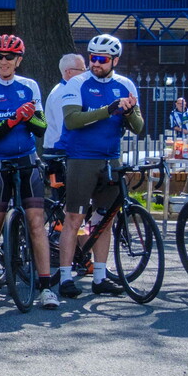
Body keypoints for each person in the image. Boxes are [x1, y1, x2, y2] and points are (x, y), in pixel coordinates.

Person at [0, 34, 59, 310]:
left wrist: (31, 117)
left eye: (9, 57)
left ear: (18, 60)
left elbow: (41, 129)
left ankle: (45, 287)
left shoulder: (29, 86)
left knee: (36, 224)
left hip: (27, 160)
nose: (3, 61)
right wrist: (14, 118)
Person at [57, 34, 145, 298]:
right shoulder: (77, 83)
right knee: (74, 217)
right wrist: (109, 109)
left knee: (104, 220)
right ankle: (64, 277)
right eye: (92, 58)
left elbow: (139, 128)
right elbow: (72, 120)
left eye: (102, 60)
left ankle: (100, 276)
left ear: (115, 60)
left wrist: (129, 112)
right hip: (81, 157)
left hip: (111, 159)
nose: (95, 64)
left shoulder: (125, 84)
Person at [42, 53, 87, 153]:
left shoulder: (71, 91)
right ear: (69, 72)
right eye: (82, 70)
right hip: (59, 151)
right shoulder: (61, 94)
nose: (85, 74)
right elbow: (64, 128)